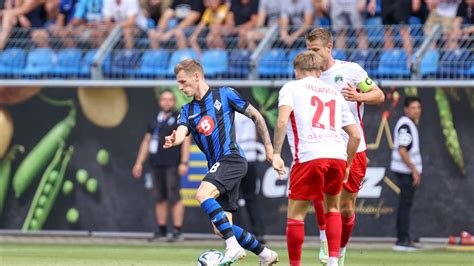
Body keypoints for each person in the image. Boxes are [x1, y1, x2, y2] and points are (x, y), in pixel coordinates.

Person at [164, 58, 279, 265]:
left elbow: (257, 117)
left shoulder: (224, 94)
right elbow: (181, 133)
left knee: (202, 194)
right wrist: (175, 139)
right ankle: (265, 255)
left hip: (232, 158)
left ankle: (233, 247)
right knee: (221, 228)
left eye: (182, 82)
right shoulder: (187, 111)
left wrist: (270, 149)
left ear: (196, 76)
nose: (179, 87)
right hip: (218, 166)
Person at [272, 50, 361, 266]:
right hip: (337, 156)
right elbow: (355, 135)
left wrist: (275, 153)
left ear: (296, 71)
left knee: (296, 214)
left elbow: (282, 121)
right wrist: (348, 164)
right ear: (319, 72)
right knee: (333, 209)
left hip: (309, 155)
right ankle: (333, 262)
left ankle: (295, 264)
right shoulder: (333, 92)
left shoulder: (291, 88)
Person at [305, 27, 385, 265]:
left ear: (329, 47)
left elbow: (379, 95)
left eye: (316, 50)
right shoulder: (309, 77)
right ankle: (324, 238)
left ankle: (340, 251)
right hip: (324, 148)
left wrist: (358, 96)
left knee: (347, 208)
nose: (312, 54)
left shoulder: (350, 70)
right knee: (319, 196)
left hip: (352, 148)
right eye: (309, 50)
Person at [132, 89, 191, 242]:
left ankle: (177, 231)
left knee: (175, 197)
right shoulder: (154, 120)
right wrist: (139, 162)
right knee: (159, 198)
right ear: (160, 101)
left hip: (172, 163)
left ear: (174, 101)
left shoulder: (179, 118)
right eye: (164, 99)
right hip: (156, 164)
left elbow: (186, 140)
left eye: (170, 99)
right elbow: (146, 142)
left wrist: (184, 161)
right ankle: (162, 229)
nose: (167, 102)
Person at [390, 96, 422, 251]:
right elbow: (402, 150)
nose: (416, 111)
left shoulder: (409, 124)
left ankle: (404, 238)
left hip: (406, 170)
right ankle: (402, 240)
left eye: (418, 107)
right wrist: (414, 170)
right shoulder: (405, 125)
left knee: (406, 204)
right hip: (405, 171)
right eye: (413, 108)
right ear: (406, 109)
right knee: (405, 205)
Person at [234, 112, 266, 244]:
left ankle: (235, 234)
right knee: (251, 197)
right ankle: (259, 233)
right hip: (251, 159)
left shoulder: (227, 114)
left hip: (235, 160)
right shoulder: (250, 114)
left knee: (232, 200)